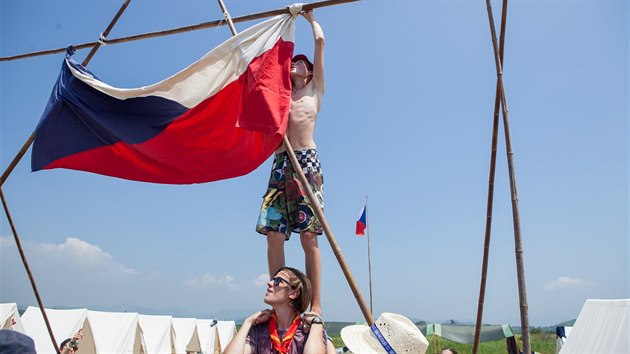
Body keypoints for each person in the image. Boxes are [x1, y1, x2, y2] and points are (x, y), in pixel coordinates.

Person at [255, 9, 326, 317]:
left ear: (309, 72)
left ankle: (317, 305)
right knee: (274, 233)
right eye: (293, 61)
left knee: (308, 235)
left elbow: (320, 42)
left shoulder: (314, 90)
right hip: (281, 162)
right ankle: (280, 300)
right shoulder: (281, 94)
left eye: (302, 63)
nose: (297, 63)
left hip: (307, 162)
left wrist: (308, 19)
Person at [224, 267, 327, 354]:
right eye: (273, 279)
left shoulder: (309, 331)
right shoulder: (259, 330)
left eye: (278, 281)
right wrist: (248, 322)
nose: (269, 283)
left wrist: (316, 323)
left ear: (293, 293)